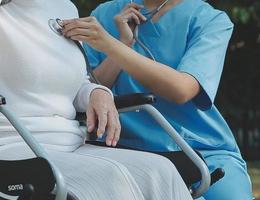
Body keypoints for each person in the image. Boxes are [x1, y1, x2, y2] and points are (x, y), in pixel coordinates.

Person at [0, 0, 193, 199]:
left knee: (162, 171)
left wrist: (97, 92)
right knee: (110, 178)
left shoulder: (61, 6)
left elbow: (75, 78)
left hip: (68, 146)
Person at [62, 0, 253, 199]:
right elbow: (88, 90)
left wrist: (110, 44)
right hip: (123, 152)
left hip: (201, 150)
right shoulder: (105, 14)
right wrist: (123, 43)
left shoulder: (210, 20)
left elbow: (182, 90)